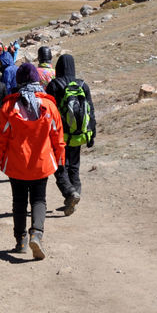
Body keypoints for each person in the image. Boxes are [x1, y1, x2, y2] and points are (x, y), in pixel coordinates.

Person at [0, 62, 64, 259]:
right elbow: (58, 137)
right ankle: (36, 233)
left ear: (19, 81)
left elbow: (0, 138)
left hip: (16, 163)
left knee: (19, 201)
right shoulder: (49, 106)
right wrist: (60, 159)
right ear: (37, 80)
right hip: (42, 162)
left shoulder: (9, 106)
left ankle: (21, 240)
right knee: (39, 199)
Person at [46, 53, 96, 214]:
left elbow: (48, 113)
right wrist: (92, 134)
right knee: (74, 166)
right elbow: (91, 111)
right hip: (78, 135)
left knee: (59, 167)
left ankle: (70, 193)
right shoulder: (83, 85)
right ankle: (74, 197)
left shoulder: (54, 85)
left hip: (59, 136)